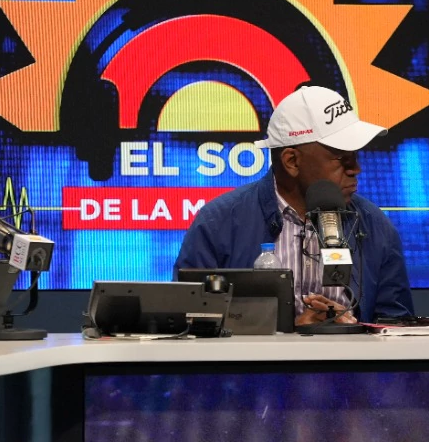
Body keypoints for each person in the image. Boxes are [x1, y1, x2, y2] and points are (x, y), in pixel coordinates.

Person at [174, 85, 415, 326]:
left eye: (355, 156)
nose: (356, 169)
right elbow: (189, 322)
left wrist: (351, 329)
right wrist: (289, 333)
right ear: (292, 161)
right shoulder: (219, 222)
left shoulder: (374, 225)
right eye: (342, 158)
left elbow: (396, 326)